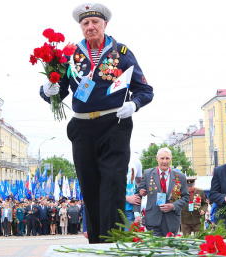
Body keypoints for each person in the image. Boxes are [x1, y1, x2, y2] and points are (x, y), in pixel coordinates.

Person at [39, 2, 153, 243]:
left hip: (114, 125)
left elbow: (145, 89)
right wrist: (49, 89)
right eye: (85, 23)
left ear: (105, 25)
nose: (90, 27)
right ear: (81, 27)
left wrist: (133, 104)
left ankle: (112, 241)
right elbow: (59, 93)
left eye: (94, 22)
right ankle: (96, 244)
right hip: (82, 128)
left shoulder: (121, 52)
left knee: (112, 182)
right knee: (89, 186)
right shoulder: (70, 55)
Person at [134, 148, 190, 236]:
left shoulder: (180, 177)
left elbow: (186, 197)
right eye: (162, 158)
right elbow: (138, 195)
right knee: (155, 248)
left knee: (170, 248)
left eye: (167, 158)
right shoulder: (148, 174)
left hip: (172, 220)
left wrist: (173, 206)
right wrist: (137, 214)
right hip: (153, 220)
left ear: (171, 159)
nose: (165, 161)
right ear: (157, 158)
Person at [125, 157, 142, 230]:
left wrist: (137, 213)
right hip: (112, 209)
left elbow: (139, 184)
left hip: (129, 210)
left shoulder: (135, 161)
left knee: (128, 239)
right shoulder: (107, 159)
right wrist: (126, 198)